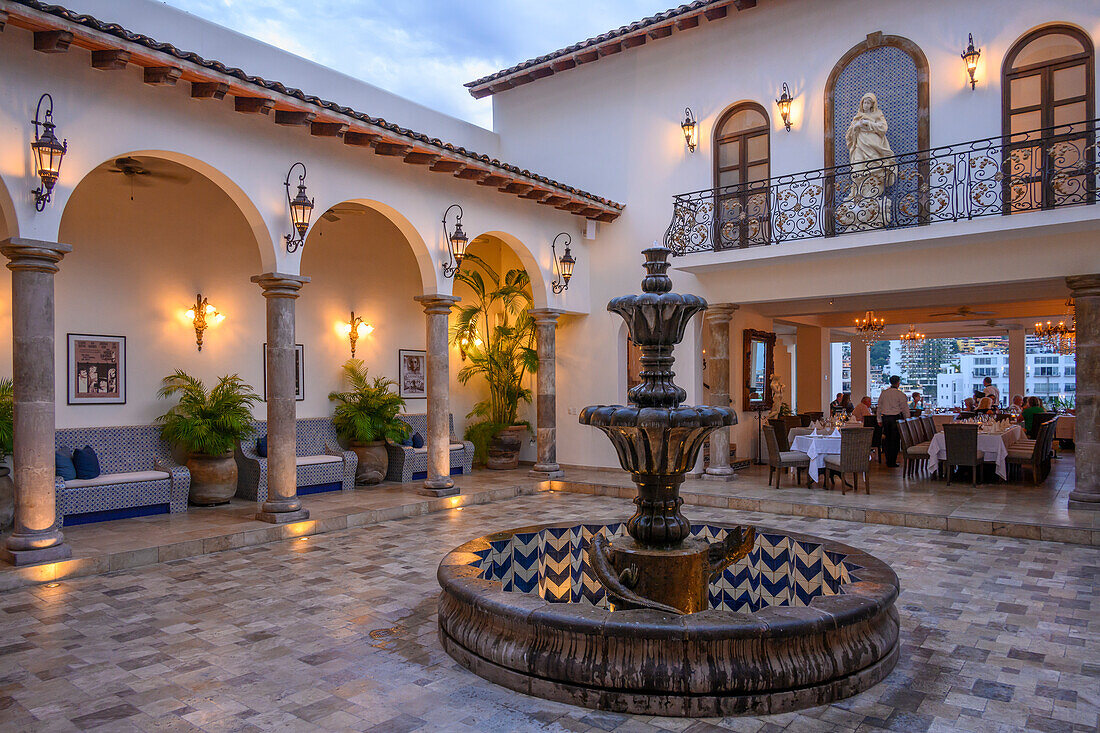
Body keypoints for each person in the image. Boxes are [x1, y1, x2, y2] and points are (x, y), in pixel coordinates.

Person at [876, 375, 910, 467]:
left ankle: (888, 460)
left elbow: (879, 407)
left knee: (887, 440)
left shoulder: (884, 393)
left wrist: (879, 419)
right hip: (896, 419)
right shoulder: (901, 395)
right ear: (898, 383)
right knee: (895, 441)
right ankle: (892, 461)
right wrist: (907, 420)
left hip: (885, 419)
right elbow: (905, 409)